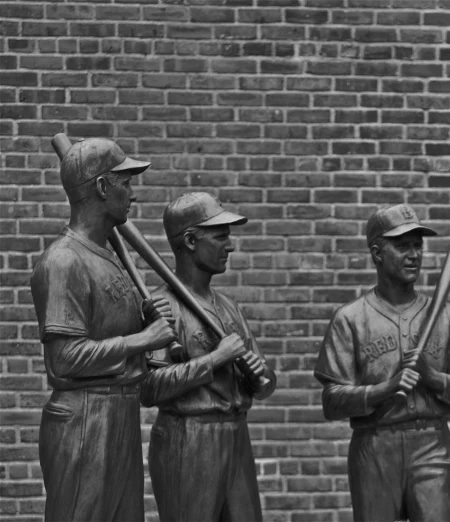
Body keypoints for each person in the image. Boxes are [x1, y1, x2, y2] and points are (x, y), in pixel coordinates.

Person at [30, 138, 177, 521]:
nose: (131, 194)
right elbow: (63, 361)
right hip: (83, 420)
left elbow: (112, 336)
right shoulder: (63, 261)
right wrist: (144, 338)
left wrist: (144, 317)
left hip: (118, 413)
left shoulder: (108, 258)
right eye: (125, 183)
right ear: (100, 187)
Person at [314, 203, 450, 522]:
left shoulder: (446, 316)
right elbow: (332, 403)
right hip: (375, 444)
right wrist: (384, 389)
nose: (413, 254)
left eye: (418, 245)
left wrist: (434, 378)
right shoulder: (350, 319)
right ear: (377, 253)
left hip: (431, 443)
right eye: (402, 246)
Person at [140, 192, 276, 522]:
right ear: (190, 240)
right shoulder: (161, 308)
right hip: (187, 439)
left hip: (235, 436)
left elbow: (267, 383)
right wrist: (215, 360)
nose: (229, 246)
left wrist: (259, 378)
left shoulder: (228, 307)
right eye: (220, 236)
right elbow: (149, 389)